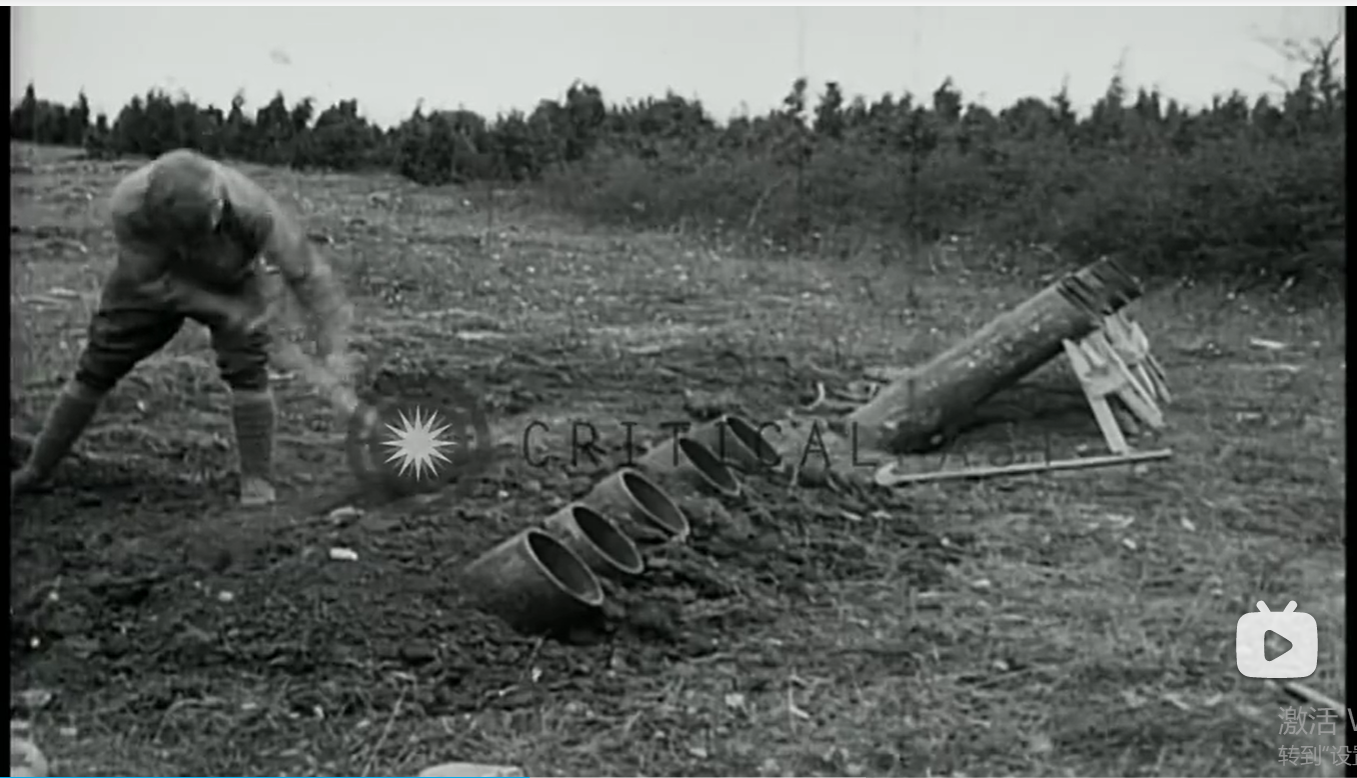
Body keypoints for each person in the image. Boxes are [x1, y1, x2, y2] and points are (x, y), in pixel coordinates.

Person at [11, 148, 355, 507]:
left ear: (219, 207)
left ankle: (257, 483)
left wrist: (333, 349)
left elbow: (307, 273)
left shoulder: (254, 211)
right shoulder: (128, 206)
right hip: (156, 279)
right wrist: (221, 308)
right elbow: (150, 280)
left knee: (247, 367)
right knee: (98, 364)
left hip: (232, 275)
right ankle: (37, 469)